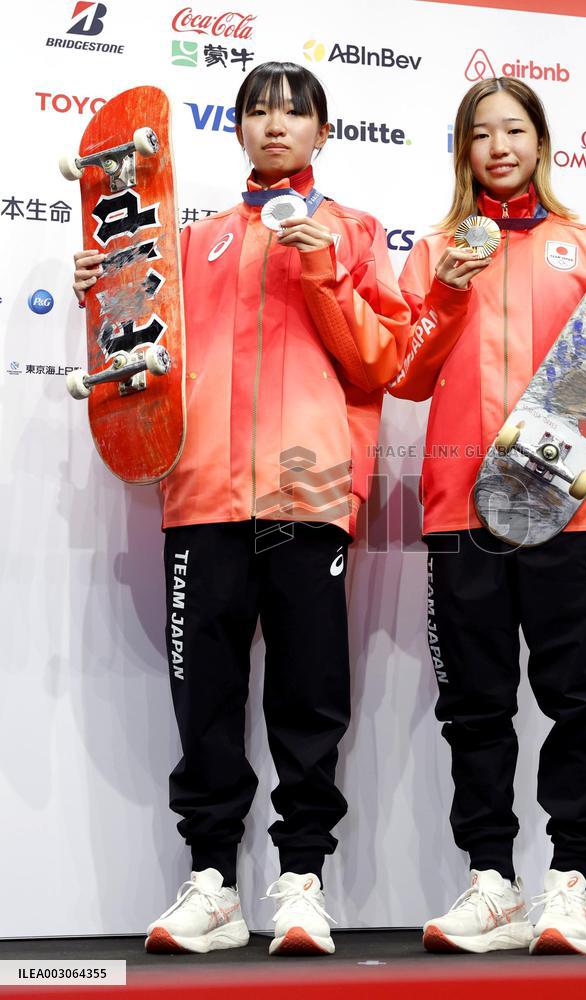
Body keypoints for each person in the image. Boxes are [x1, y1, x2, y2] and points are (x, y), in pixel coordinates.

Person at [72, 62, 409, 956]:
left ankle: (303, 880)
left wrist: (326, 273)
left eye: (293, 113)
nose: (274, 125)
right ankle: (212, 883)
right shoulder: (195, 241)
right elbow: (145, 349)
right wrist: (104, 293)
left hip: (308, 490)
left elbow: (383, 362)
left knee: (310, 695)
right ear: (239, 129)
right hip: (201, 493)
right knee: (206, 697)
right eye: (258, 110)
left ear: (322, 132)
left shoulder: (356, 232)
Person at [388, 77, 586, 957]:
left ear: (542, 144)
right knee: (474, 706)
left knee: (580, 699)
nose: (500, 147)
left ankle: (570, 882)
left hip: (571, 509)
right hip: (459, 510)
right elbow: (404, 374)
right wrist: (443, 293)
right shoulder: (434, 250)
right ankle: (491, 883)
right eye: (482, 134)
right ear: (463, 152)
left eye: (515, 130)